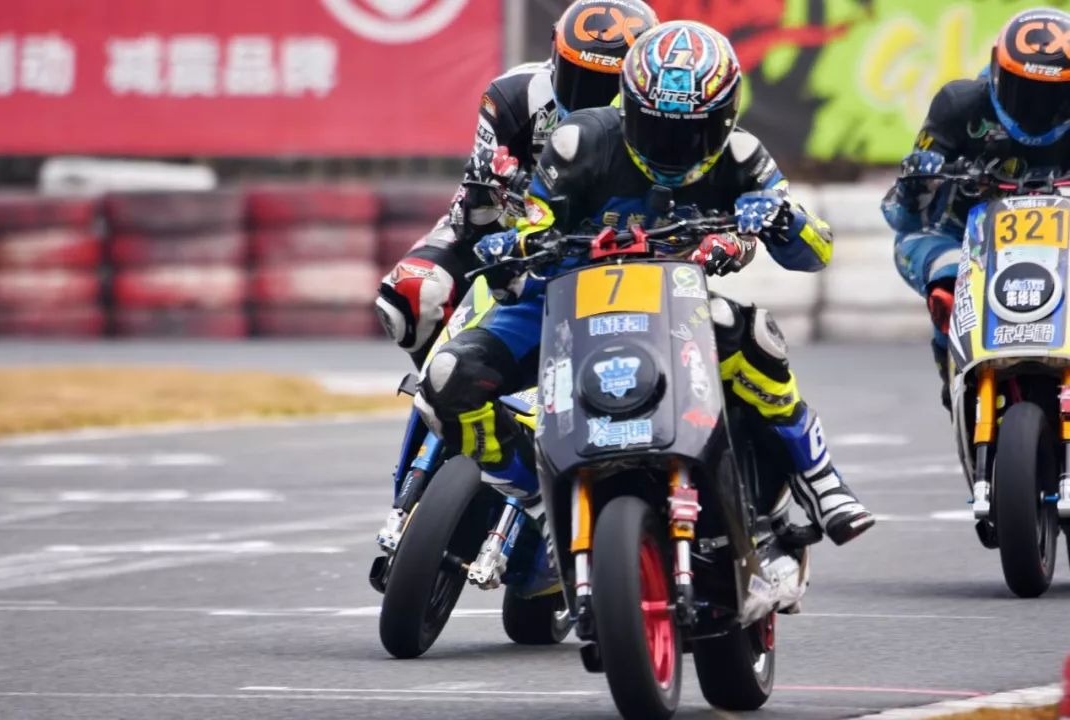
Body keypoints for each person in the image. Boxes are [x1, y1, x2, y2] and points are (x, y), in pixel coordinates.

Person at [416, 20, 875, 547]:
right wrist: (512, 247)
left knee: (754, 334)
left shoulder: (744, 157)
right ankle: (535, 496)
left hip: (672, 306)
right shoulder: (577, 142)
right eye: (656, 127)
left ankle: (819, 477)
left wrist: (783, 221)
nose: (671, 146)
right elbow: (535, 225)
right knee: (449, 377)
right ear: (628, 107)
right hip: (561, 300)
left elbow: (816, 252)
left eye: (691, 132)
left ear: (725, 118)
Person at [375, 0, 660, 368]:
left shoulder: (660, 113)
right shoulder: (513, 96)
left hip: (626, 236)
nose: (591, 97)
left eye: (610, 84)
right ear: (556, 56)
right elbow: (471, 220)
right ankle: (440, 385)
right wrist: (487, 197)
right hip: (518, 230)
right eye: (580, 78)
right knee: (414, 291)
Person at [884, 8, 1070, 408]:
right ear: (999, 74)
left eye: (1055, 96)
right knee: (946, 284)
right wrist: (918, 184)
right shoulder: (959, 106)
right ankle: (954, 375)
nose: (1038, 107)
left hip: (1062, 240)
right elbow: (901, 216)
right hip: (956, 235)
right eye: (1025, 92)